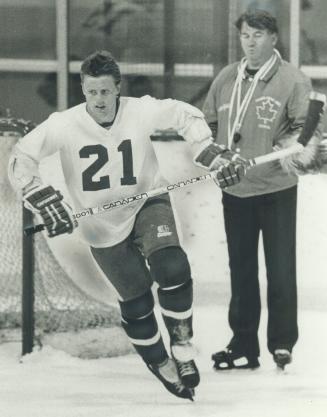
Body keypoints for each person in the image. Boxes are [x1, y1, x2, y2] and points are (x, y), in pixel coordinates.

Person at [7, 50, 218, 401]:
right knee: (136, 303)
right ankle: (159, 362)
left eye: (105, 91)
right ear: (83, 91)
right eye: (92, 92)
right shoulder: (63, 123)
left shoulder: (140, 110)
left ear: (118, 89)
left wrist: (205, 146)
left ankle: (182, 343)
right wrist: (39, 194)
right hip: (100, 225)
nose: (99, 100)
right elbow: (21, 158)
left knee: (171, 264)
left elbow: (184, 113)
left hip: (147, 201)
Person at [195, 10, 322, 371]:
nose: (250, 43)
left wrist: (289, 149)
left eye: (258, 36)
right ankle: (243, 344)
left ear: (274, 39)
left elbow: (305, 134)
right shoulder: (225, 78)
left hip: (277, 189)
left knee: (281, 268)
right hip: (235, 189)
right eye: (245, 36)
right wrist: (217, 159)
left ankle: (282, 343)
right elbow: (207, 126)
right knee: (242, 269)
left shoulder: (292, 80)